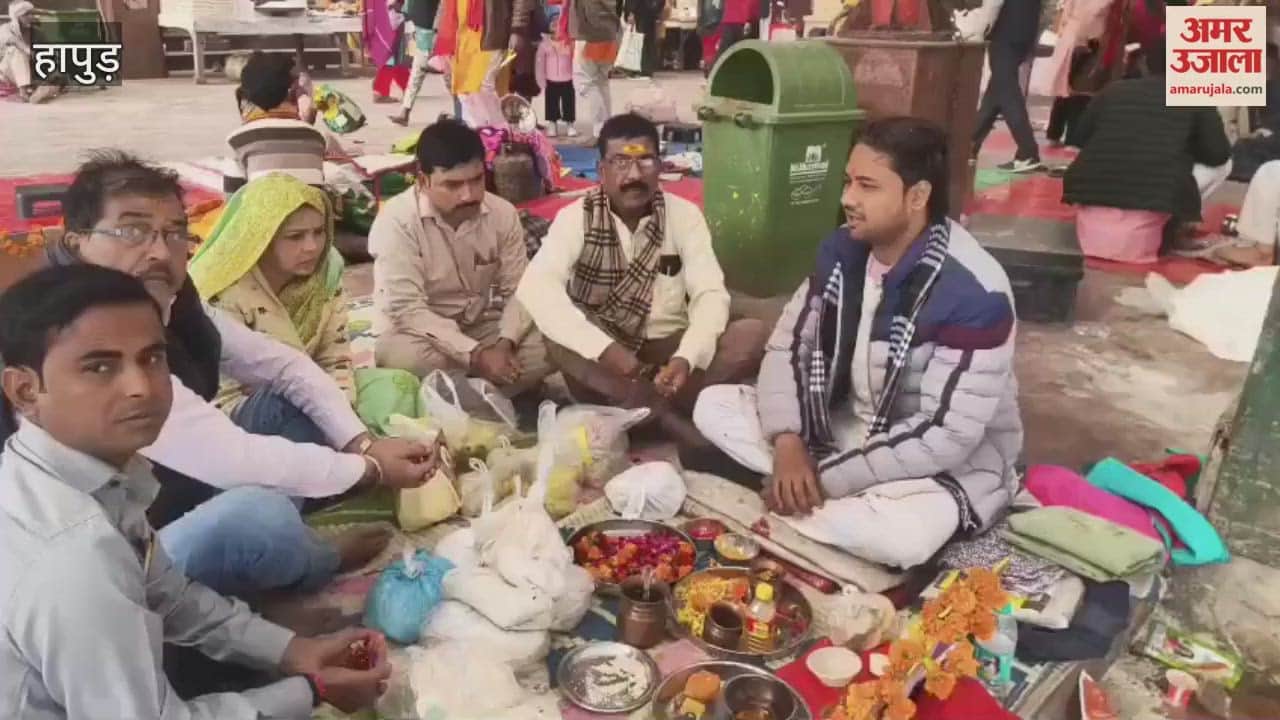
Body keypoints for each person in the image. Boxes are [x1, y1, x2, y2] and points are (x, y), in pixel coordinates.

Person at [0, 151, 439, 601]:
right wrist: (370, 470)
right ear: (77, 245)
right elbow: (229, 456)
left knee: (289, 416)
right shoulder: (61, 328)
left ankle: (268, 557)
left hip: (161, 490)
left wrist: (360, 444)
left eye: (173, 232)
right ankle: (299, 564)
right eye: (133, 231)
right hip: (98, 557)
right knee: (258, 515)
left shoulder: (166, 295)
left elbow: (283, 363)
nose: (157, 250)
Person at [0, 263, 393, 719]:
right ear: (26, 391)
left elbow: (170, 594)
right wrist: (312, 690)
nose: (140, 387)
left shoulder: (85, 477)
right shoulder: (73, 558)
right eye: (99, 367)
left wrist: (292, 651)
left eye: (151, 358)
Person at [692, 117, 1022, 570]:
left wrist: (827, 478)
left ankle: (793, 504)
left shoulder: (975, 292)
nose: (848, 199)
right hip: (838, 430)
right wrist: (788, 442)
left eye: (867, 186)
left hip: (931, 464)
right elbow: (788, 349)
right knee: (713, 405)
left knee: (903, 540)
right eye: (848, 182)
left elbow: (946, 435)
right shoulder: (842, 252)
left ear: (917, 196)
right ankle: (808, 502)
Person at [516, 113, 767, 448]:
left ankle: (642, 411)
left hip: (668, 349)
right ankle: (663, 416)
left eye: (644, 160)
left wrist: (687, 357)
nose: (633, 175)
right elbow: (537, 287)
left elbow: (709, 293)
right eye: (620, 162)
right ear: (601, 170)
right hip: (608, 361)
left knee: (750, 334)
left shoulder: (684, 216)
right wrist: (605, 350)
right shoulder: (575, 217)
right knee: (557, 335)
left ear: (660, 167)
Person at [370, 119, 551, 395]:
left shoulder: (502, 214)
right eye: (452, 185)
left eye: (476, 180)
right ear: (423, 181)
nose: (468, 195)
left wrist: (505, 344)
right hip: (419, 336)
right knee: (401, 360)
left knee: (556, 339)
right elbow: (408, 310)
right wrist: (476, 355)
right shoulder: (396, 222)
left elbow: (520, 290)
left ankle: (464, 392)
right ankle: (493, 388)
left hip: (480, 327)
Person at [189, 174, 355, 417]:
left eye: (318, 232)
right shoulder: (223, 292)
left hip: (318, 397)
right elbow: (228, 390)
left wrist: (341, 410)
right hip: (243, 411)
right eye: (295, 236)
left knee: (392, 385)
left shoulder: (325, 275)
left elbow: (336, 360)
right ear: (261, 238)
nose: (312, 246)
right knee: (280, 411)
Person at [1063, 38, 1232, 264]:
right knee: (1223, 165)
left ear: (1145, 64)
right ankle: (1174, 228)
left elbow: (1079, 137)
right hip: (1150, 206)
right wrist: (1183, 147)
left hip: (1090, 219)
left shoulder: (1114, 90)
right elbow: (1218, 154)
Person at [226, 52, 327, 193]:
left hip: (262, 213)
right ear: (291, 94)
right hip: (311, 213)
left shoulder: (239, 140)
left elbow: (231, 199)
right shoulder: (316, 138)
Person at [435, 0, 538, 127]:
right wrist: (438, 30)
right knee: (464, 92)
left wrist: (518, 29)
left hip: (492, 32)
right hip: (460, 36)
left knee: (485, 88)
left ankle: (497, 133)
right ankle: (479, 134)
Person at [972, 0, 1043, 172]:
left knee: (1007, 93)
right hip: (1024, 31)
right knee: (998, 89)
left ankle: (1028, 152)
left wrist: (978, 28)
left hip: (1004, 32)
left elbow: (993, 3)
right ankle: (970, 144)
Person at [566, 0, 622, 137]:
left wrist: (584, 33)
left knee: (585, 82)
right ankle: (607, 127)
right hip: (609, 33)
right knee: (601, 81)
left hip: (590, 36)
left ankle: (600, 129)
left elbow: (588, 10)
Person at [390, 0, 444, 126]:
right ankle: (405, 111)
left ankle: (405, 111)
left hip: (431, 26)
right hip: (424, 25)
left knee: (422, 71)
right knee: (418, 70)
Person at [0, 0, 53, 103]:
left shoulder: (37, 32)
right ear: (17, 16)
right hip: (7, 72)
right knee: (16, 50)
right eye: (26, 14)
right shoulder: (5, 29)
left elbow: (48, 52)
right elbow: (13, 41)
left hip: (31, 72)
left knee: (57, 77)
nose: (31, 17)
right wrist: (27, 50)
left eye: (32, 13)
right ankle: (23, 92)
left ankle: (38, 92)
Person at [536, 30, 579, 137]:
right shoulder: (544, 44)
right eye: (553, 25)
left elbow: (574, 56)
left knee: (568, 102)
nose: (556, 29)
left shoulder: (569, 42)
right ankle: (552, 123)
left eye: (558, 25)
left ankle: (570, 124)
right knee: (551, 102)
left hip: (567, 79)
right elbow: (540, 63)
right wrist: (541, 79)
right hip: (550, 80)